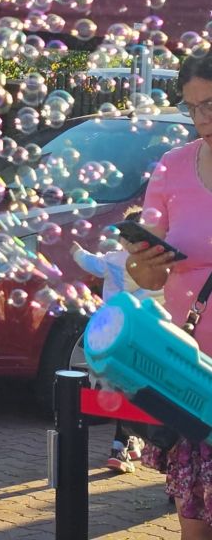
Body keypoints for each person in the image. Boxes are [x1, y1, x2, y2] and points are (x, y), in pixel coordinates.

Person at [123, 53, 212, 540]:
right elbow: (147, 275)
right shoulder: (173, 167)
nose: (201, 119)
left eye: (211, 105)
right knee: (195, 527)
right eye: (192, 107)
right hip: (192, 378)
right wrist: (143, 261)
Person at [72, 205, 158, 474]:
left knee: (121, 385)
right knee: (140, 387)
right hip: (146, 331)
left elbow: (88, 262)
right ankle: (123, 443)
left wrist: (75, 250)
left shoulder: (112, 259)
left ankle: (125, 443)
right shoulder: (157, 263)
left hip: (113, 331)